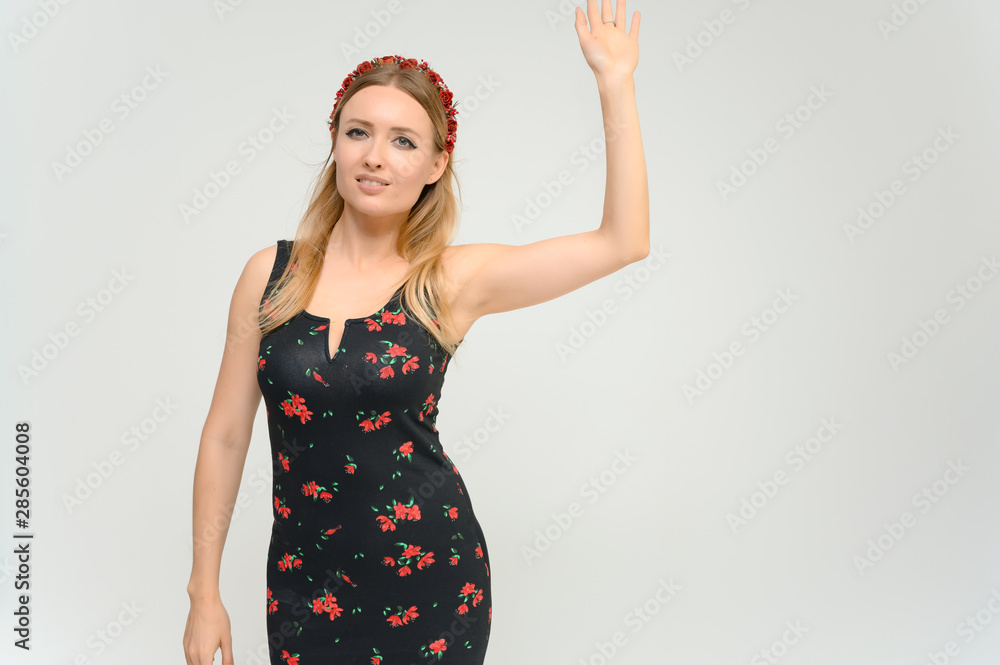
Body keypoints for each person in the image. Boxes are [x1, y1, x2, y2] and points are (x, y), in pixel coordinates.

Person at [183, 2, 646, 663]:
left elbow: (624, 241)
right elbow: (226, 435)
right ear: (334, 141)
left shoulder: (448, 281)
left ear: (435, 164)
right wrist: (203, 592)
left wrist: (614, 82)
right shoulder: (270, 276)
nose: (375, 157)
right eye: (358, 132)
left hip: (432, 585)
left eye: (403, 141)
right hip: (304, 590)